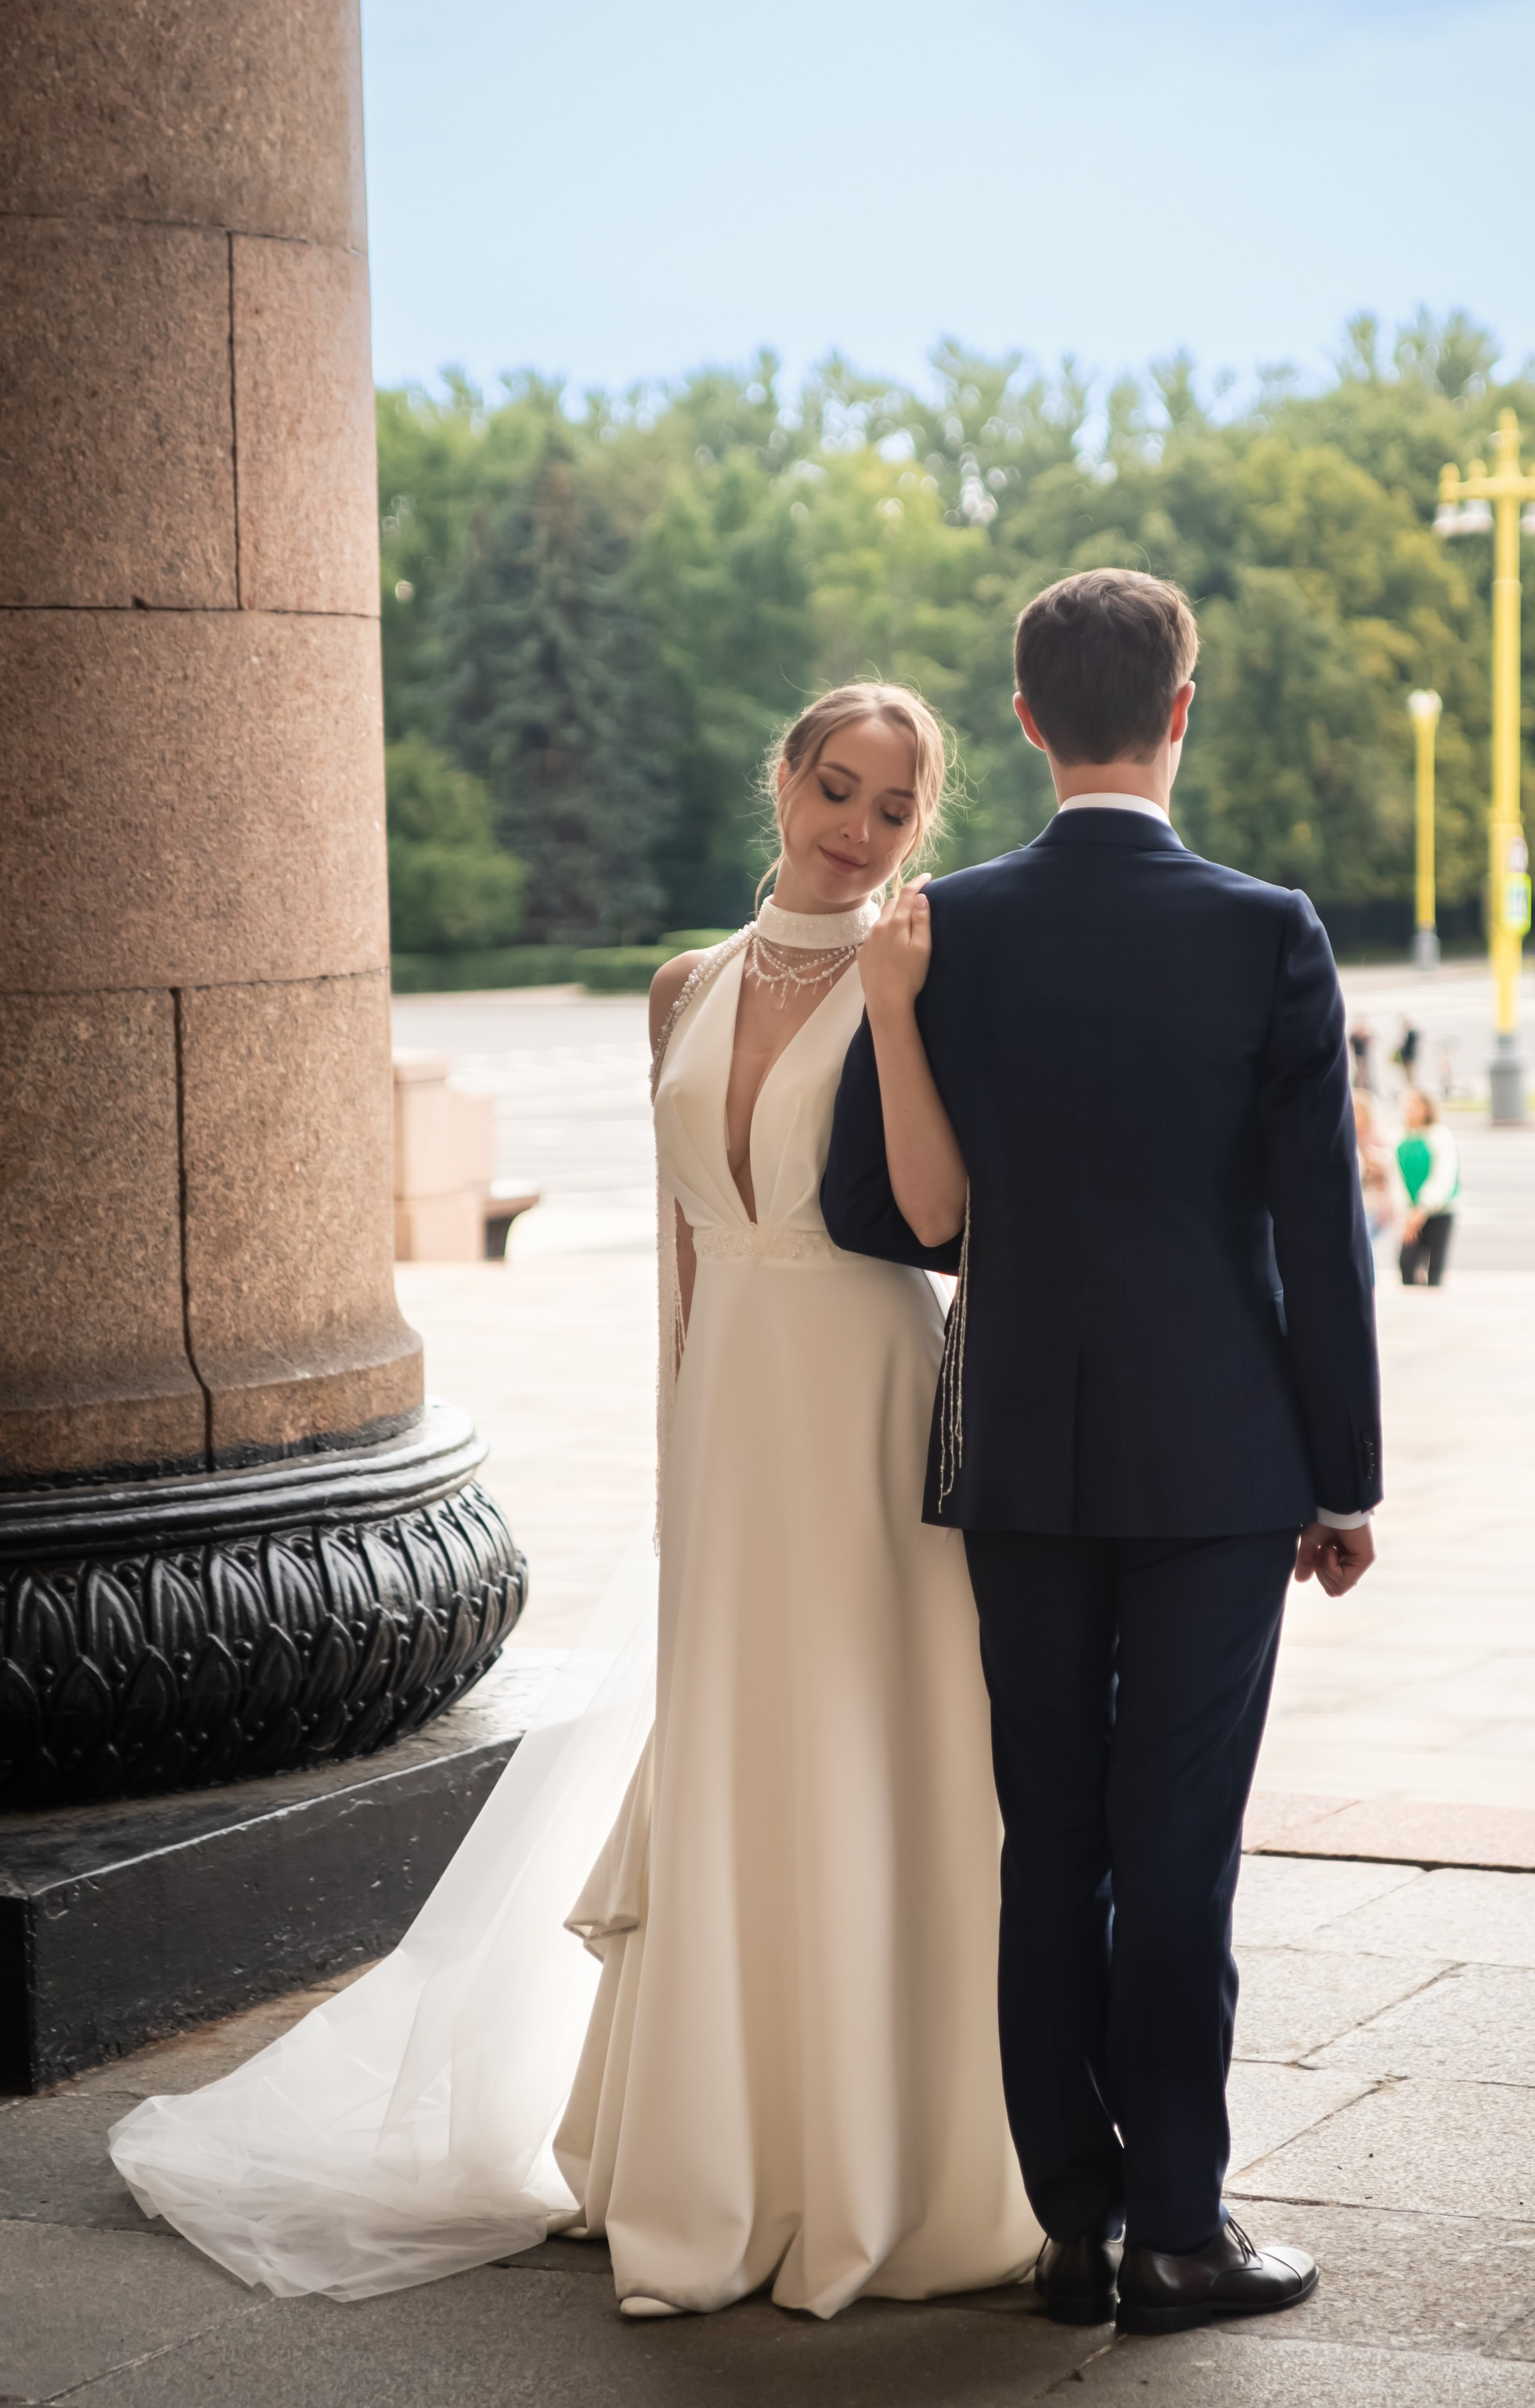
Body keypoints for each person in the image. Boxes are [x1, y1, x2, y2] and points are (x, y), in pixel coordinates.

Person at [109, 684, 1037, 2318]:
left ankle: (880, 2168)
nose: (859, 827)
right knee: (739, 1747)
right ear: (784, 779)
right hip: (734, 1409)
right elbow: (684, 1257)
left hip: (872, 1397)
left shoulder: (929, 971)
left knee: (871, 1747)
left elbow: (941, 1210)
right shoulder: (682, 986)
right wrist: (679, 1459)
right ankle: (713, 2151)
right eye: (837, 787)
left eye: (896, 809)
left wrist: (894, 1005)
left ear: (921, 829)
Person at [822, 569, 1382, 2338]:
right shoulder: (1267, 928)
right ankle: (1183, 2229)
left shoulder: (943, 927)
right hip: (1222, 1462)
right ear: (1184, 706)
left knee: (1048, 1837)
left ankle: (1071, 2226)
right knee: (1180, 1845)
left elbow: (870, 1205)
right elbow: (1324, 1225)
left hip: (1024, 1463)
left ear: (1022, 717)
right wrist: (1343, 1473)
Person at [1396, 1088, 1460, 1287]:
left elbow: (1443, 1176)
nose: (1410, 1109)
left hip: (1439, 1210)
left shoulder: (1439, 1135)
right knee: (1406, 1263)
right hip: (1411, 1212)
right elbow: (1396, 1178)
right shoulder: (1401, 1137)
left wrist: (1423, 1207)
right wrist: (1409, 1211)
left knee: (1435, 1268)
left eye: (1415, 1104)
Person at [1353, 1087, 1399, 1280]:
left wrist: (1371, 1163)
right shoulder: (1347, 1137)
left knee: (1362, 1244)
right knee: (1361, 1245)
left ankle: (1369, 1284)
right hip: (1359, 1203)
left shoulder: (1375, 1138)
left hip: (1374, 1205)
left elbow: (1387, 1168)